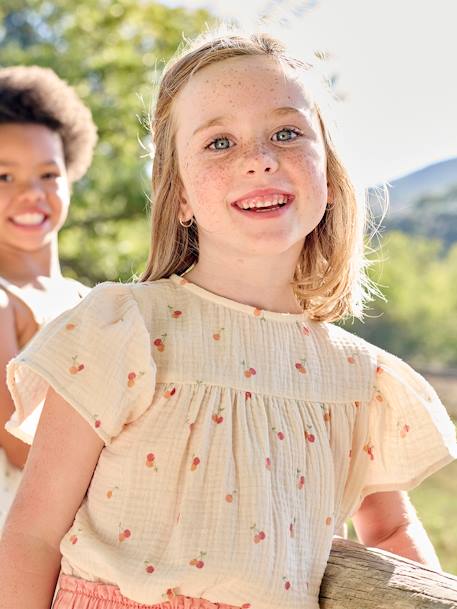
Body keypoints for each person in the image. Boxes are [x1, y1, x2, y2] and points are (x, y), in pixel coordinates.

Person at [0, 30, 456, 609]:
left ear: (330, 175)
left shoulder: (359, 377)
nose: (259, 160)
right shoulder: (125, 329)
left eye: (287, 133)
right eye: (218, 142)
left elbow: (390, 534)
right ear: (181, 195)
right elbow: (33, 532)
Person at [0, 66, 97, 531]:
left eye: (47, 173)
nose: (30, 194)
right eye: (3, 176)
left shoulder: (95, 301)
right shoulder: (3, 302)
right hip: (24, 533)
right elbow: (21, 450)